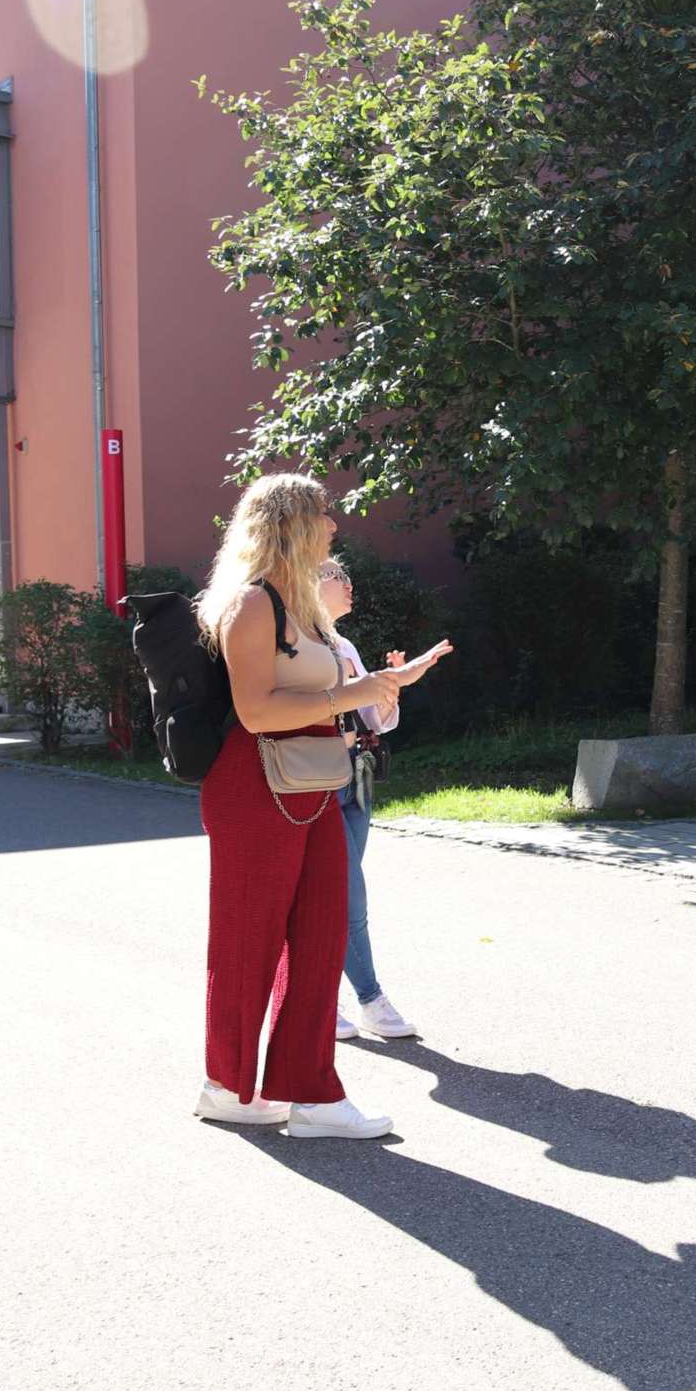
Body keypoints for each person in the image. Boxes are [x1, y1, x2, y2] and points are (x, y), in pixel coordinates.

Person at [191, 473, 421, 1139]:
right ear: (290, 522)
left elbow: (327, 696)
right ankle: (227, 1085)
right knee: (249, 941)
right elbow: (257, 712)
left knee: (321, 936)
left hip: (312, 783)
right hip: (255, 786)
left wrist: (382, 685)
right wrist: (353, 695)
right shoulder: (251, 604)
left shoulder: (301, 606)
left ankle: (312, 1094)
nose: (334, 526)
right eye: (323, 513)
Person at [318, 557, 451, 1042]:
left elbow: (371, 719)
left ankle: (321, 1001)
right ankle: (369, 999)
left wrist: (393, 688)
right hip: (320, 779)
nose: (348, 583)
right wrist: (385, 681)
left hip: (358, 778)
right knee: (348, 895)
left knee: (336, 895)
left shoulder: (344, 644)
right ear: (313, 584)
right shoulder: (301, 642)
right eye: (338, 576)